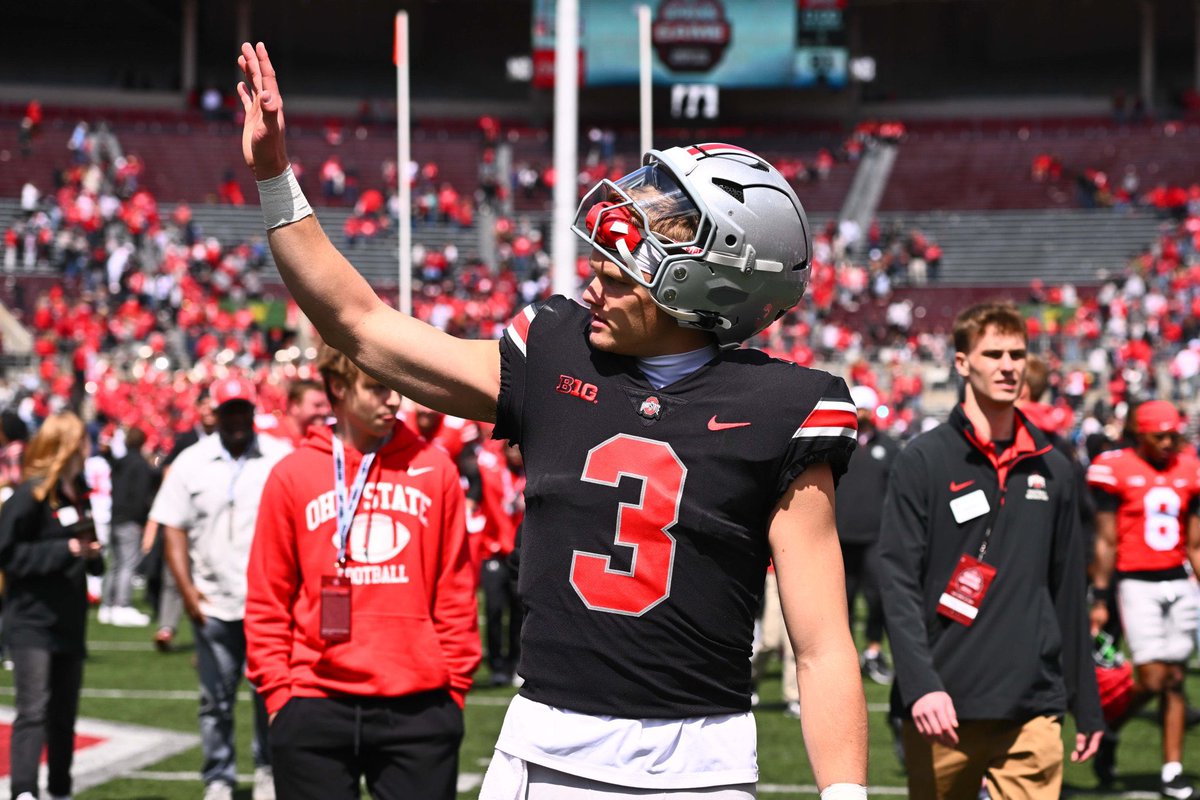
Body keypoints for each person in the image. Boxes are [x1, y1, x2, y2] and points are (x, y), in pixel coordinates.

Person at [239, 41, 867, 799]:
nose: (591, 287)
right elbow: (360, 325)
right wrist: (276, 179)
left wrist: (846, 794)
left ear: (704, 289)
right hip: (546, 746)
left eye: (616, 275)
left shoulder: (783, 409)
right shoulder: (554, 351)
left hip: (699, 766)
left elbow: (824, 645)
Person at [877, 301, 1103, 799]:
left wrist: (1086, 702)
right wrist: (920, 684)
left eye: (1018, 354)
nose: (1008, 366)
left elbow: (1069, 592)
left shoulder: (1054, 467)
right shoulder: (923, 461)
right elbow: (896, 582)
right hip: (943, 701)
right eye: (994, 353)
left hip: (1033, 704)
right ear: (962, 363)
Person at [246, 343, 480, 799]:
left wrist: (452, 693)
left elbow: (455, 591)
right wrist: (279, 696)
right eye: (376, 387)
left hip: (418, 705)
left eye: (397, 388)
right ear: (337, 388)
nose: (393, 400)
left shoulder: (435, 469)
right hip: (313, 701)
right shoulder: (292, 474)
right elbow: (267, 598)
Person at [149, 376, 291, 800]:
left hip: (269, 602)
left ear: (253, 412)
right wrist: (188, 592)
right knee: (215, 700)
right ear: (215, 413)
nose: (236, 419)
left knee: (270, 697)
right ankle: (219, 776)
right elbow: (172, 528)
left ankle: (267, 769)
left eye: (243, 410)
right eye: (229, 411)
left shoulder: (279, 458)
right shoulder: (190, 462)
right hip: (213, 600)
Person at [1086, 400, 1200, 798]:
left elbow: (1196, 543)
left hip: (1179, 581)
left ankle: (1171, 769)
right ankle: (1111, 726)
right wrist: (1100, 595)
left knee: (1175, 679)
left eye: (1173, 434)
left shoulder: (1189, 467)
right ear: (1140, 433)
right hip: (1134, 581)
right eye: (1160, 435)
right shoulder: (1114, 467)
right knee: (1153, 677)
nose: (1169, 442)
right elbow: (1105, 540)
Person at [0, 411, 104, 800]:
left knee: (64, 714)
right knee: (34, 708)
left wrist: (91, 554)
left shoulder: (77, 493)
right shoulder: (30, 495)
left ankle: (60, 787)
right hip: (32, 618)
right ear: (68, 445)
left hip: (69, 617)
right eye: (82, 440)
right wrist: (64, 550)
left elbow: (89, 555)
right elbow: (7, 554)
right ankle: (24, 790)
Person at [142, 388, 219, 650]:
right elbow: (169, 473)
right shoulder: (187, 439)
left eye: (212, 406)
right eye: (204, 406)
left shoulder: (229, 437)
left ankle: (214, 631)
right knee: (173, 572)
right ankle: (167, 626)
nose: (208, 411)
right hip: (187, 514)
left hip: (216, 515)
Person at [836, 384, 899, 685]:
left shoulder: (889, 447)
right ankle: (845, 657)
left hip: (876, 538)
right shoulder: (836, 443)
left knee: (878, 599)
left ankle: (874, 651)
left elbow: (898, 493)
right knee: (841, 601)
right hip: (840, 536)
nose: (862, 415)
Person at [469, 439, 525, 687]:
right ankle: (496, 664)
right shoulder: (490, 468)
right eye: (510, 446)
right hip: (492, 550)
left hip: (522, 551)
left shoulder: (534, 469)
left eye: (519, 447)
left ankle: (515, 662)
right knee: (493, 609)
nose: (515, 452)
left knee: (518, 612)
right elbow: (470, 463)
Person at [102, 425, 158, 627]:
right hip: (130, 519)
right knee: (128, 564)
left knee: (116, 564)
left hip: (115, 516)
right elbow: (142, 496)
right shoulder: (140, 465)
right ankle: (121, 605)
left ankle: (107, 605)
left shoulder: (120, 462)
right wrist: (142, 520)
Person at [276, 378, 330, 446]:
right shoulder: (270, 439)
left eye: (327, 405)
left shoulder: (329, 437)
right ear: (294, 406)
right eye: (317, 405)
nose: (325, 411)